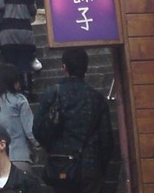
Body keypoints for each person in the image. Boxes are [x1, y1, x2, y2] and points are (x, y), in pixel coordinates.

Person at [33, 47, 113, 193]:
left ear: (64, 67)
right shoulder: (97, 98)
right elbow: (106, 139)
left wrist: (52, 148)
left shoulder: (53, 93)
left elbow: (38, 130)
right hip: (90, 166)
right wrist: (100, 165)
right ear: (86, 68)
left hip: (61, 164)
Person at [0, 64, 38, 176]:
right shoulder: (19, 100)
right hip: (18, 157)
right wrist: (40, 145)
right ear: (13, 82)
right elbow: (30, 131)